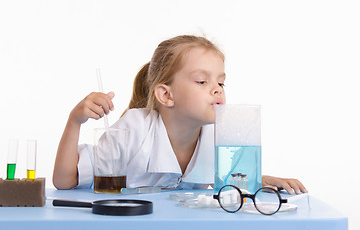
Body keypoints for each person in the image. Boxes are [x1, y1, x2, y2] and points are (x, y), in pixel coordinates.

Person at [53, 35, 307, 194]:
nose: (217, 90)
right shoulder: (133, 129)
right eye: (201, 81)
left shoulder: (216, 136)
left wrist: (261, 179)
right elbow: (65, 180)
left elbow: (227, 179)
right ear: (166, 95)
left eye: (221, 82)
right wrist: (75, 120)